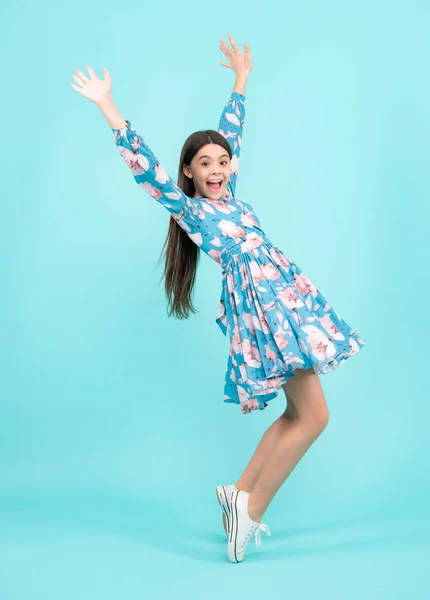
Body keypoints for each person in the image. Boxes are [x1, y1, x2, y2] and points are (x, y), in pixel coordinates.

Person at [71, 34, 366, 564]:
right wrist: (108, 106)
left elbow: (232, 132)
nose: (214, 168)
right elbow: (146, 170)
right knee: (315, 418)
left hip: (286, 302)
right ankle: (250, 514)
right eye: (203, 163)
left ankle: (238, 493)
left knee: (300, 414)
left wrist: (241, 80)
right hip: (266, 312)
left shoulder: (232, 193)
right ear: (188, 172)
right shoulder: (191, 211)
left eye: (221, 161)